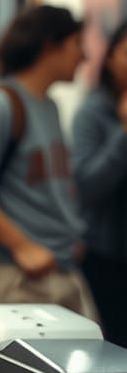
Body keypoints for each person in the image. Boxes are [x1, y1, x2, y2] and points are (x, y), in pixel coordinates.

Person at [0, 5, 96, 317]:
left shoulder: (49, 106)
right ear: (50, 45)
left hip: (61, 270)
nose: (84, 57)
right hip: (22, 278)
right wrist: (22, 245)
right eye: (77, 44)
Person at [72, 20, 127, 343]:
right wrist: (123, 134)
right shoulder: (92, 113)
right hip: (107, 258)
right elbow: (87, 186)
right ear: (110, 57)